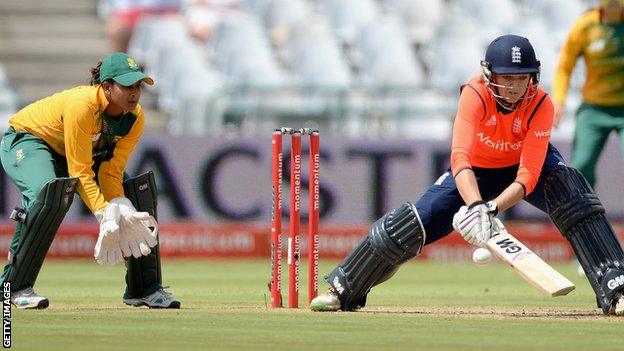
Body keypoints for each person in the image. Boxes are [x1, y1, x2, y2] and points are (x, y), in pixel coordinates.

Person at [310, 35, 624, 316]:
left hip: (524, 168)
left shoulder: (540, 103)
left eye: (522, 77)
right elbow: (460, 158)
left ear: (533, 76)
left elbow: (528, 174)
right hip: (477, 171)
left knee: (573, 193)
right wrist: (475, 205)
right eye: (507, 77)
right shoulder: (474, 94)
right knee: (409, 224)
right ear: (490, 76)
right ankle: (343, 287)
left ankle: (617, 287)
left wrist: (492, 208)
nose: (515, 86)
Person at [0, 52, 181, 309]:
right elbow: (79, 170)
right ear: (106, 86)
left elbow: (110, 171)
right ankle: (13, 288)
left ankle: (144, 289)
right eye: (127, 85)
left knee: (135, 196)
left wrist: (119, 203)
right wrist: (103, 213)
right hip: (30, 141)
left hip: (72, 154)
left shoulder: (135, 118)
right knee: (47, 193)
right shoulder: (82, 105)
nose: (134, 93)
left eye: (138, 86)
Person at [553, 0, 624, 188]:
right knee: (581, 166)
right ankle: (585, 214)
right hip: (594, 108)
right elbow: (564, 66)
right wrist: (559, 100)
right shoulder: (585, 26)